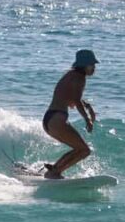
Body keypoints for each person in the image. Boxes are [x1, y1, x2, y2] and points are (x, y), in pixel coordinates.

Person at [41, 49, 99, 179]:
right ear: (84, 64)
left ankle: (54, 169)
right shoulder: (79, 78)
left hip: (49, 119)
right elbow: (76, 101)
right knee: (84, 150)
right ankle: (54, 173)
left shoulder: (70, 75)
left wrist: (88, 106)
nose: (94, 68)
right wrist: (88, 119)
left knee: (79, 149)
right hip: (57, 119)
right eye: (92, 65)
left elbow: (71, 97)